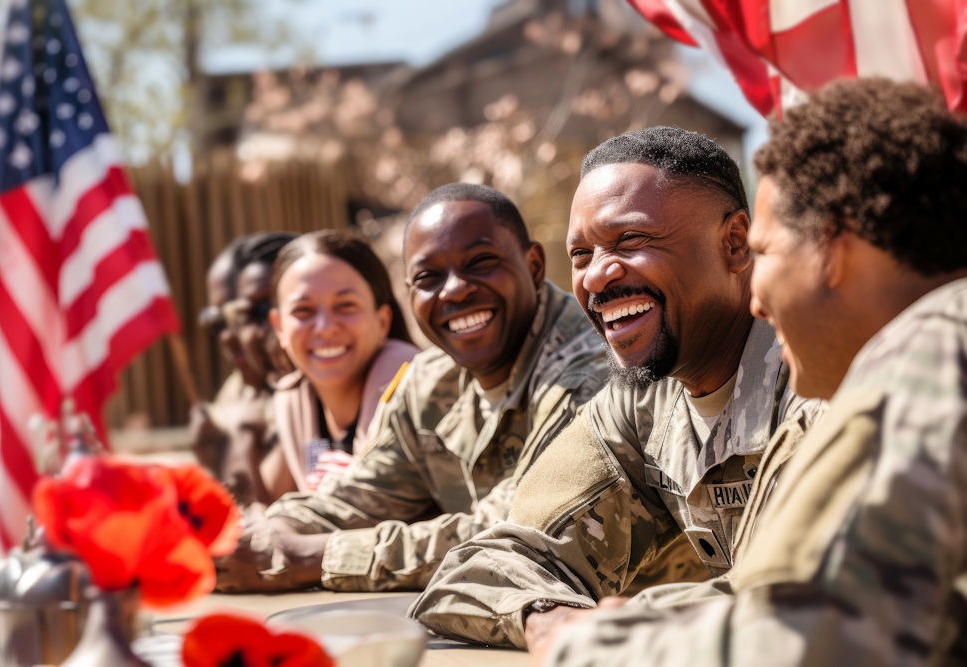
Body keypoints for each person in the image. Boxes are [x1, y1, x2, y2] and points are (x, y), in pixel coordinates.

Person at [528, 78, 967, 666]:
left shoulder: (934, 351)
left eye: (767, 251)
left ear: (832, 246)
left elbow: (817, 643)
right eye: (581, 255)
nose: (756, 300)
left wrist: (593, 645)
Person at [410, 127, 822, 648]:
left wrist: (620, 628)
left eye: (631, 240)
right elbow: (479, 565)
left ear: (734, 243)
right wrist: (553, 622)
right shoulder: (637, 401)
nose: (597, 277)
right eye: (580, 254)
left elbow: (798, 604)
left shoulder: (819, 372)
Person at [213, 183, 610, 593]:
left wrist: (313, 557)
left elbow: (517, 532)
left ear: (533, 265)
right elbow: (360, 497)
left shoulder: (588, 375)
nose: (455, 289)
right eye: (428, 277)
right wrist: (260, 538)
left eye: (481, 262)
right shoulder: (429, 380)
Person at [232, 230, 419, 502]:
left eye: (345, 306)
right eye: (303, 311)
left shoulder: (406, 374)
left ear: (383, 321)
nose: (325, 327)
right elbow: (270, 507)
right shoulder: (294, 397)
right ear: (279, 327)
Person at [188, 232, 297, 503]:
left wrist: (242, 441)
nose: (229, 336)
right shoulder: (239, 390)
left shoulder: (321, 382)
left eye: (255, 311)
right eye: (217, 323)